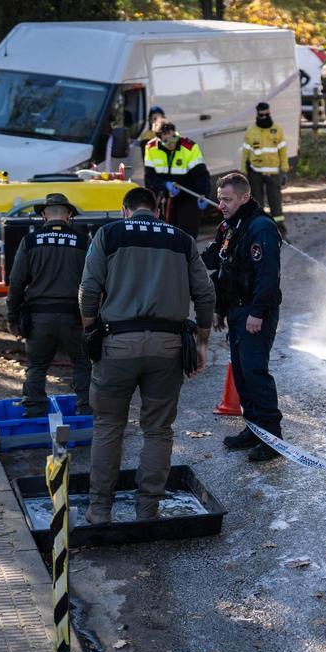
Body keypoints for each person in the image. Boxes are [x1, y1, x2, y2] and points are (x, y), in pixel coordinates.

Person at [79, 186, 216, 523]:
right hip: (167, 347)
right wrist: (201, 341)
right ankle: (147, 510)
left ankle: (99, 511)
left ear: (125, 210)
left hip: (118, 344)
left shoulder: (108, 234)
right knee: (157, 430)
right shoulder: (181, 239)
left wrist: (89, 328)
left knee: (109, 426)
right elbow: (205, 293)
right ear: (158, 211)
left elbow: (89, 288)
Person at [202, 172, 283, 463]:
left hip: (253, 312)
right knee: (241, 374)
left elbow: (267, 276)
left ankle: (272, 438)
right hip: (236, 310)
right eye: (219, 198)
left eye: (227, 199)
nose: (221, 204)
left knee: (254, 373)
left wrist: (257, 312)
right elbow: (220, 266)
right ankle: (254, 429)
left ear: (244, 197)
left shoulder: (260, 227)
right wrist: (220, 309)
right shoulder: (230, 226)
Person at [6, 193, 91, 417]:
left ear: (44, 214)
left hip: (39, 319)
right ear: (69, 214)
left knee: (36, 366)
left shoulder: (30, 241)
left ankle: (33, 411)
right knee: (82, 364)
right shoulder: (83, 242)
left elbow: (16, 282)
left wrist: (11, 316)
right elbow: (95, 281)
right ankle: (85, 412)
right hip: (74, 318)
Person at [144, 121, 211, 239]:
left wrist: (204, 194)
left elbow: (201, 175)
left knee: (187, 235)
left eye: (173, 138)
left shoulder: (189, 147)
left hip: (188, 197)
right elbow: (150, 178)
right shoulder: (151, 148)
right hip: (165, 199)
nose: (171, 143)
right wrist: (164, 185)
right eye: (166, 141)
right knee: (165, 236)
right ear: (159, 139)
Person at [241, 102, 289, 239]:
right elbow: (245, 152)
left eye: (267, 114)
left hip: (273, 173)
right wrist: (243, 170)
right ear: (257, 115)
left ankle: (280, 232)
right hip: (255, 172)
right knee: (256, 203)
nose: (265, 117)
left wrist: (284, 171)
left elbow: (283, 152)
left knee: (275, 203)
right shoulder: (251, 131)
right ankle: (258, 231)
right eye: (262, 115)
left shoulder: (277, 130)